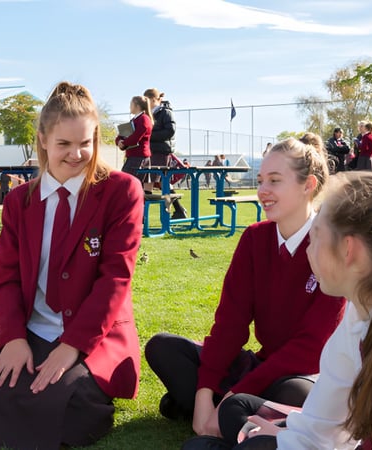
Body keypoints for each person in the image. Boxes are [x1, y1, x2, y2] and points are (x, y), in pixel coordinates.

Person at [0, 82, 144, 450]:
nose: (76, 154)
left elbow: (115, 279)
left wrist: (72, 346)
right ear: (43, 140)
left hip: (95, 336)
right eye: (64, 144)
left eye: (85, 143)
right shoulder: (19, 201)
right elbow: (5, 281)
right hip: (34, 330)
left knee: (70, 399)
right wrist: (14, 338)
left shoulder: (122, 191)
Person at [145, 138, 346, 444]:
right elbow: (230, 322)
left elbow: (310, 349)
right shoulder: (255, 238)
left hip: (304, 375)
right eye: (261, 180)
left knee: (296, 393)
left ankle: (227, 413)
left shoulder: (332, 245)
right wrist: (204, 393)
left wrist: (234, 394)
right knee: (164, 347)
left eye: (275, 181)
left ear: (308, 185)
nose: (263, 190)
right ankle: (230, 417)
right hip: (260, 367)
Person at [199, 172, 372, 450]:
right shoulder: (359, 314)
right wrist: (281, 438)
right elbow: (319, 428)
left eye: (315, 236)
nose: (307, 250)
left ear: (348, 249)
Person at [143, 88, 188, 218]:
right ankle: (179, 210)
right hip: (151, 151)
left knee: (154, 181)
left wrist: (150, 135)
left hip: (161, 151)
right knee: (161, 183)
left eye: (146, 101)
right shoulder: (148, 114)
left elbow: (170, 131)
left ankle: (143, 217)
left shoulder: (166, 112)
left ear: (153, 99)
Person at [116, 95, 153, 186]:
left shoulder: (144, 119)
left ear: (137, 106)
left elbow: (136, 137)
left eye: (131, 104)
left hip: (139, 157)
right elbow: (121, 136)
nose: (129, 106)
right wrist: (119, 142)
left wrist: (124, 143)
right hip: (132, 156)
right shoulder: (134, 120)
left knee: (127, 183)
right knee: (126, 183)